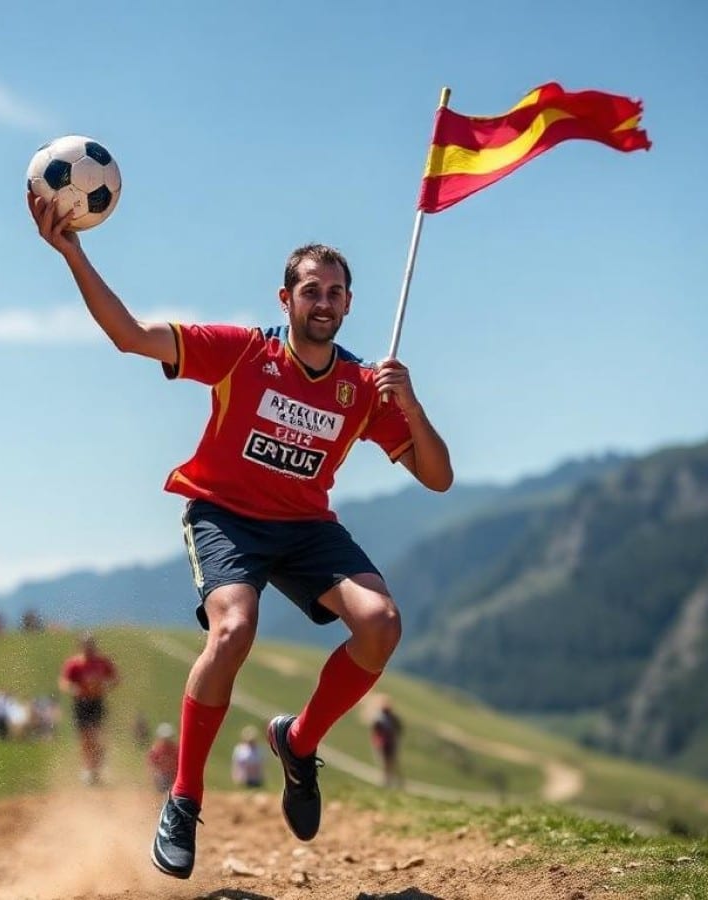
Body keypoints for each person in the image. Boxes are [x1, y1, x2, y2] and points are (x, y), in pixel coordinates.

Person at [28, 196, 453, 880]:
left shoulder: (361, 387)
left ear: (348, 305)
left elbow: (437, 477)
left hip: (307, 526)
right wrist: (73, 252)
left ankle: (299, 741)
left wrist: (412, 404)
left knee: (381, 624)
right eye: (310, 290)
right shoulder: (242, 353)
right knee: (233, 631)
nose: (323, 301)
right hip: (224, 515)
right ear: (285, 299)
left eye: (335, 292)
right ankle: (184, 799)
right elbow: (132, 336)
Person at [57, 632, 120, 785]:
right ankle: (88, 769)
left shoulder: (102, 662)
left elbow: (115, 678)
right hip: (81, 704)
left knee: (98, 735)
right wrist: (73, 688)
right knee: (85, 738)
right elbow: (64, 681)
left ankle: (98, 765)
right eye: (86, 646)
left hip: (97, 701)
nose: (89, 648)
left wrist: (106, 685)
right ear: (81, 647)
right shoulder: (74, 664)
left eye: (91, 645)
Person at [370, 699, 404, 789]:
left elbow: (399, 728)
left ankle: (396, 781)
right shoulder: (379, 719)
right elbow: (375, 731)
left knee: (392, 762)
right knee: (385, 763)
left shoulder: (392, 718)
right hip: (383, 744)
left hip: (390, 743)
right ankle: (387, 782)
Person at [147, 723, 179, 794]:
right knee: (162, 783)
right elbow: (152, 766)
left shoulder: (176, 750)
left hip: (174, 776)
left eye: (168, 738)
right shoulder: (156, 750)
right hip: (162, 777)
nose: (167, 741)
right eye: (165, 739)